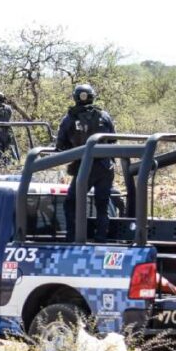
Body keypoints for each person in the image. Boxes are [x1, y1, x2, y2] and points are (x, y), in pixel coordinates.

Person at [55, 84, 116, 242]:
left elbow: (61, 145)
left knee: (71, 202)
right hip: (105, 166)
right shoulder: (104, 115)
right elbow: (113, 140)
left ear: (75, 97)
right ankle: (101, 238)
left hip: (83, 168)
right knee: (103, 205)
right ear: (92, 96)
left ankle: (72, 238)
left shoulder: (69, 118)